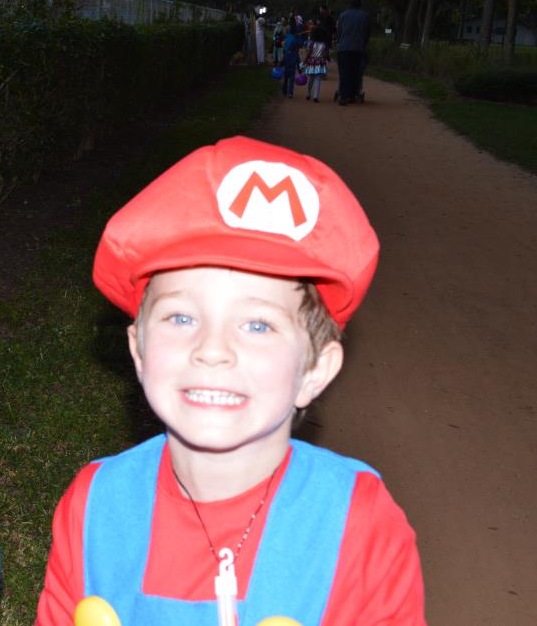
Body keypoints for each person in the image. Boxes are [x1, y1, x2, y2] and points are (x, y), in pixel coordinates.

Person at [35, 136, 426, 625]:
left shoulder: (359, 524)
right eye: (180, 317)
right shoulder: (95, 506)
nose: (212, 349)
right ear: (138, 351)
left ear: (314, 372)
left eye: (258, 325)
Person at [335, 0, 371, 105]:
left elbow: (339, 31)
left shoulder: (343, 15)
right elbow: (367, 33)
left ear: (350, 5)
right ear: (360, 5)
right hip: (358, 48)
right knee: (356, 72)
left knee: (344, 72)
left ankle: (344, 95)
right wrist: (363, 44)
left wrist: (339, 42)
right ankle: (353, 95)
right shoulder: (365, 16)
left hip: (344, 47)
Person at [305, 23, 331, 102]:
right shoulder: (324, 44)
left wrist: (304, 61)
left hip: (311, 62)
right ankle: (316, 96)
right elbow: (326, 54)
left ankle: (309, 93)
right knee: (318, 79)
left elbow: (309, 53)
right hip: (320, 62)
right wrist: (326, 58)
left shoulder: (312, 43)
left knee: (311, 79)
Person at [281, 23, 303, 98]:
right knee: (291, 81)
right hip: (292, 69)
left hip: (286, 69)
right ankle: (290, 93)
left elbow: (283, 60)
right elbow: (299, 62)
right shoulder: (296, 54)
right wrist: (300, 70)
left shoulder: (287, 53)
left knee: (285, 80)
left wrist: (280, 64)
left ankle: (284, 91)